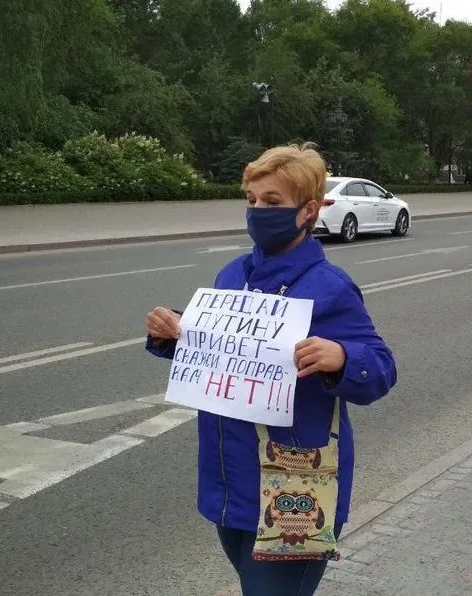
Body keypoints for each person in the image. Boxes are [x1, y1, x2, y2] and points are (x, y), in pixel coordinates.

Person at [145, 143, 397, 596]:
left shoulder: (329, 287)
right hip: (229, 480)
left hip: (293, 485)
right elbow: (222, 350)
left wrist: (342, 358)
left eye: (273, 201)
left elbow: (381, 368)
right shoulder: (232, 275)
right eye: (252, 200)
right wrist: (176, 333)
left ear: (309, 211)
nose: (258, 211)